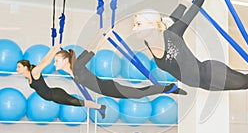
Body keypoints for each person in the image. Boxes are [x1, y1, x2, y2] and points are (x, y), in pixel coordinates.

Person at [53, 48, 187, 99]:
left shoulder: (77, 67)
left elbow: (92, 49)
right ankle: (169, 88)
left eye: (57, 60)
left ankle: (169, 88)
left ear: (65, 60)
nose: (54, 64)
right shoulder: (73, 71)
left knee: (140, 93)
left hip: (109, 87)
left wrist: (102, 32)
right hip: (107, 90)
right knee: (140, 93)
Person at [17, 45, 107, 119]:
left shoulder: (34, 72)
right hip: (54, 97)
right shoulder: (29, 77)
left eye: (19, 67)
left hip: (56, 95)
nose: (17, 69)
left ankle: (100, 107)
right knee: (78, 103)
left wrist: (54, 50)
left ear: (25, 67)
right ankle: (100, 108)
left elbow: (45, 62)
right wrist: (53, 50)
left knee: (78, 103)